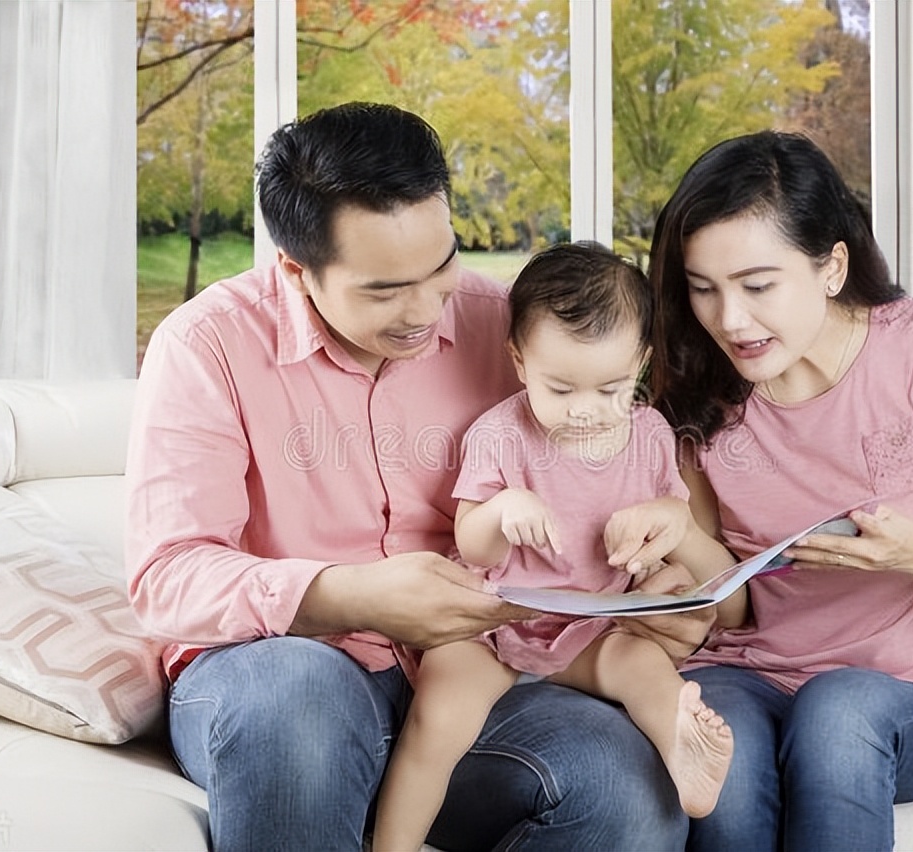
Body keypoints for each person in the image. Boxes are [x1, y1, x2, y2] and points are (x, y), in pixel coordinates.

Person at [125, 102, 708, 852]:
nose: (429, 309)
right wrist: (354, 594)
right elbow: (167, 577)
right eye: (383, 290)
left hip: (477, 667)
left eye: (442, 267)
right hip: (282, 672)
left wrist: (650, 588)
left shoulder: (512, 326)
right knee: (296, 705)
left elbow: (612, 464)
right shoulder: (207, 347)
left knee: (624, 790)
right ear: (297, 270)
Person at [646, 130, 913, 852]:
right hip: (750, 676)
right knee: (720, 745)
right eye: (703, 288)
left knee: (837, 712)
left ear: (832, 266)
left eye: (757, 285)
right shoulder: (694, 389)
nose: (729, 319)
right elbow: (730, 608)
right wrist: (672, 544)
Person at [372, 243, 739, 851]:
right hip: (492, 621)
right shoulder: (500, 433)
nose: (587, 412)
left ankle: (684, 750)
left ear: (642, 364)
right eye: (562, 389)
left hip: (590, 626)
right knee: (439, 717)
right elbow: (472, 544)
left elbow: (672, 525)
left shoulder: (648, 434)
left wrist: (657, 529)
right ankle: (393, 846)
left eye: (612, 388)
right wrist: (501, 511)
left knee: (642, 667)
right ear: (519, 361)